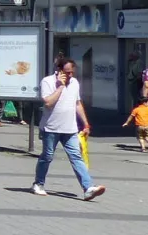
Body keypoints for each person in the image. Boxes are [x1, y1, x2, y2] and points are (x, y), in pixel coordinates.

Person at [33, 55, 104, 199]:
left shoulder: (75, 83)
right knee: (47, 156)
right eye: (67, 72)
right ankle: (38, 183)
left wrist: (85, 123)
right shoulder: (47, 81)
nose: (70, 75)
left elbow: (77, 104)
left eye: (72, 72)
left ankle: (88, 187)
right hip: (51, 128)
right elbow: (48, 103)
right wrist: (60, 86)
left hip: (70, 128)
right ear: (59, 70)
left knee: (76, 157)